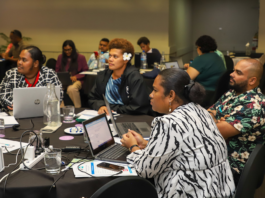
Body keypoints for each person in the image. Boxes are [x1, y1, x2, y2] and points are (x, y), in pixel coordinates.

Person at [120, 68, 235, 198]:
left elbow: (145, 170)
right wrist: (148, 144)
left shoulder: (168, 123)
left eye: (155, 90)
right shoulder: (200, 110)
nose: (150, 94)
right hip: (218, 191)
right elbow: (188, 149)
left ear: (171, 95)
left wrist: (133, 146)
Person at [208, 58, 265, 186]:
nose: (231, 74)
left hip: (232, 169)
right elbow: (208, 112)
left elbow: (211, 132)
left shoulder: (253, 105)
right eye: (233, 70)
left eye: (238, 73)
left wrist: (215, 120)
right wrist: (217, 120)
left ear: (252, 80)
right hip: (217, 156)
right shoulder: (232, 93)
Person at [88, 38, 151, 115]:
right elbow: (92, 98)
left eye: (115, 56)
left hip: (128, 118)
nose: (110, 59)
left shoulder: (135, 78)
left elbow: (137, 107)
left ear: (126, 60)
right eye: (110, 55)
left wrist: (110, 108)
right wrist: (101, 106)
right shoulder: (102, 76)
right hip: (107, 117)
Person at [0, 46, 63, 110]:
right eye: (19, 59)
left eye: (24, 60)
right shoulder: (11, 74)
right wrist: (15, 105)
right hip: (14, 115)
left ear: (35, 63)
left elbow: (58, 96)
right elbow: (3, 95)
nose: (19, 62)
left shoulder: (49, 74)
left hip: (43, 114)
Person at [55, 40, 88, 108]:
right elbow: (57, 71)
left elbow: (85, 71)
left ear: (73, 49)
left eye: (69, 50)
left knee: (71, 89)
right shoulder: (60, 57)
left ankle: (77, 108)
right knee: (56, 89)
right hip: (63, 81)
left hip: (76, 80)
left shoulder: (81, 57)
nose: (67, 52)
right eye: (65, 50)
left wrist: (76, 77)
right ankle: (61, 109)